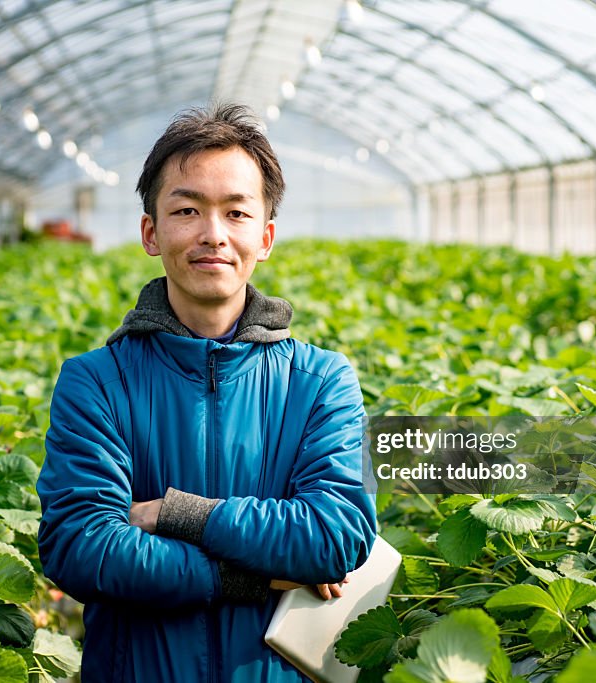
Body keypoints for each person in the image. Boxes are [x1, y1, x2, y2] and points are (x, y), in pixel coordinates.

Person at [36, 102, 377, 682]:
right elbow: (82, 545)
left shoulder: (320, 382)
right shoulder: (96, 381)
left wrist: (177, 513)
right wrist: (248, 576)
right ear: (151, 231)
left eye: (236, 213)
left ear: (265, 237)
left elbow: (334, 535)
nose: (212, 234)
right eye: (187, 209)